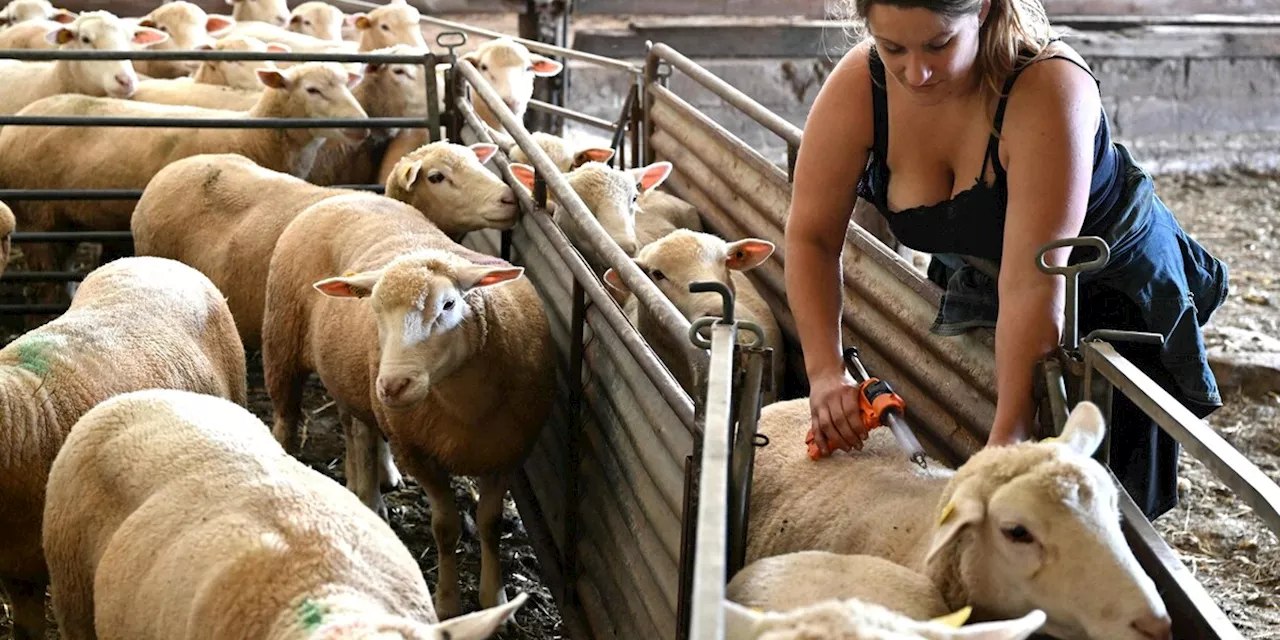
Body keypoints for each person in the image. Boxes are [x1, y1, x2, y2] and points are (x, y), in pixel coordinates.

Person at [784, 0, 1229, 519]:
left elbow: (1033, 285)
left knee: (1099, 498)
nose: (916, 72)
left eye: (939, 44)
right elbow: (812, 236)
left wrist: (1006, 441)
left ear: (984, 9)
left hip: (1103, 284)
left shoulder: (1047, 89)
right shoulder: (863, 86)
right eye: (892, 47)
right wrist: (825, 371)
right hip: (986, 268)